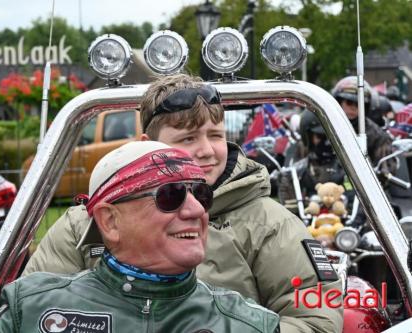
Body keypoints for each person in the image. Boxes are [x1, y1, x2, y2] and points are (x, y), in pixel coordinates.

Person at [24, 74, 343, 333]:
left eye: (215, 135)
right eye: (188, 138)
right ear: (148, 145)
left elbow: (316, 322)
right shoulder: (83, 224)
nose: (206, 150)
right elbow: (32, 311)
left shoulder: (270, 225)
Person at [0, 141, 280, 333]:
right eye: (171, 195)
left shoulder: (250, 325)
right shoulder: (31, 308)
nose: (195, 210)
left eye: (200, 194)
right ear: (110, 221)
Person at [331, 75, 395, 167]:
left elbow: (385, 172)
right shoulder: (325, 127)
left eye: (358, 103)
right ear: (339, 102)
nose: (353, 107)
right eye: (349, 102)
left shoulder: (378, 136)